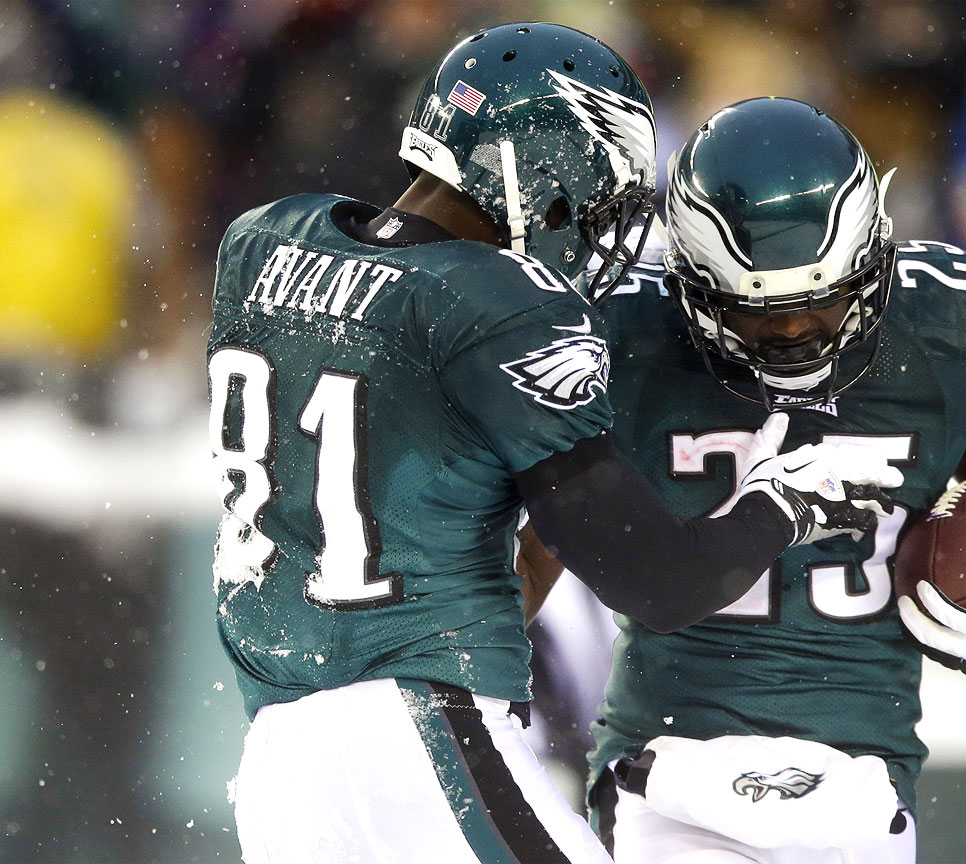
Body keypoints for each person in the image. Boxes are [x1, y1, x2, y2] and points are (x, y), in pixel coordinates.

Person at [205, 26, 898, 864]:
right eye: (600, 202)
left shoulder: (265, 239)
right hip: (416, 738)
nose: (600, 231)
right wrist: (780, 505)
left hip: (279, 763)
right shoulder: (500, 305)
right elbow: (661, 582)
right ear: (539, 176)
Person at [543, 97, 966, 863]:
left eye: (821, 300)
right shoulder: (624, 341)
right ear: (691, 285)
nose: (792, 330)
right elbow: (529, 553)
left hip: (861, 778)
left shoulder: (944, 330)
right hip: (669, 768)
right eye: (758, 310)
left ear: (875, 262)